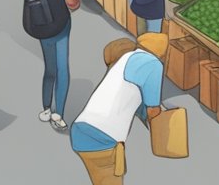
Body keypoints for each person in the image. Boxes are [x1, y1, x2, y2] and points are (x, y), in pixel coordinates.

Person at [71, 34, 171, 185]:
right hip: (103, 137)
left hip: (82, 130)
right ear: (161, 53)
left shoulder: (126, 60)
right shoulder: (153, 64)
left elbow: (137, 105)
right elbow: (152, 111)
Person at [19, 0, 83, 133]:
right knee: (62, 67)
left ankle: (46, 108)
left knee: (49, 67)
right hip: (58, 19)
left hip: (36, 19)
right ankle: (59, 114)